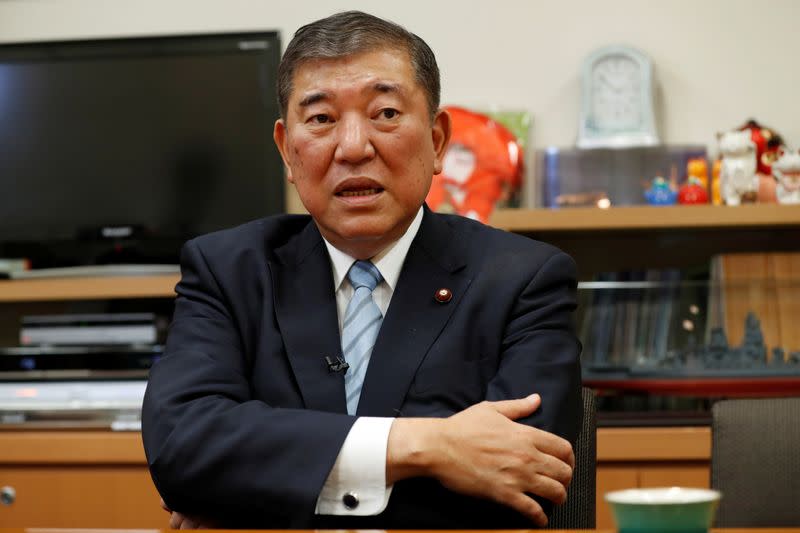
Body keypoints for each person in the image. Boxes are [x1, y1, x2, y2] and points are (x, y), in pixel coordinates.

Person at [141, 10, 582, 529]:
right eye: (322, 119)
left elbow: (523, 478)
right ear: (287, 149)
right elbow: (180, 449)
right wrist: (429, 444)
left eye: (386, 113)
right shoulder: (228, 271)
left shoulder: (524, 279)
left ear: (438, 141)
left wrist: (251, 496)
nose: (353, 147)